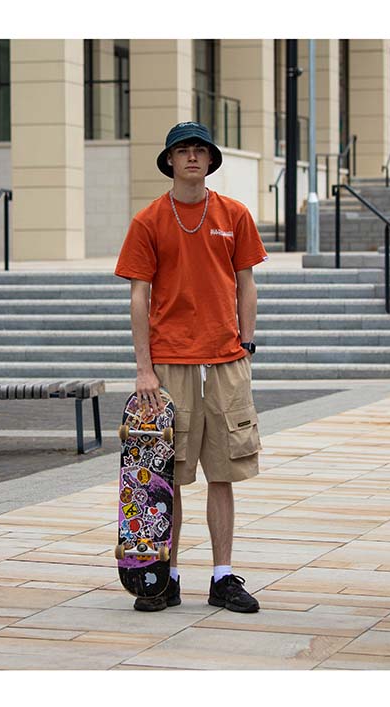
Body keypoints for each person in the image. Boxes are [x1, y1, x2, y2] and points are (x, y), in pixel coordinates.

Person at [115, 121, 268, 613]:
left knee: (222, 473)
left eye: (201, 150)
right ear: (169, 161)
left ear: (210, 160)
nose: (193, 157)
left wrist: (245, 342)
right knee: (169, 476)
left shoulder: (234, 214)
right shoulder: (148, 221)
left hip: (225, 362)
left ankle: (223, 578)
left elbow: (246, 283)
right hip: (170, 365)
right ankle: (166, 576)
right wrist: (144, 370)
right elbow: (139, 298)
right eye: (183, 150)